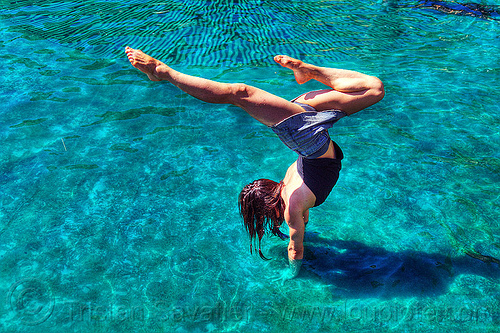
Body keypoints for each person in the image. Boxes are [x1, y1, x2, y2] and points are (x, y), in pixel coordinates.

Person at [125, 46, 384, 278]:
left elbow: (296, 249)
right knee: (374, 89)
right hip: (307, 128)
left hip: (307, 135)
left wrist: (293, 276)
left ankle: (162, 72)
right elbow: (302, 217)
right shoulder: (288, 182)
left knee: (239, 93)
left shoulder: (293, 208)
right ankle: (309, 71)